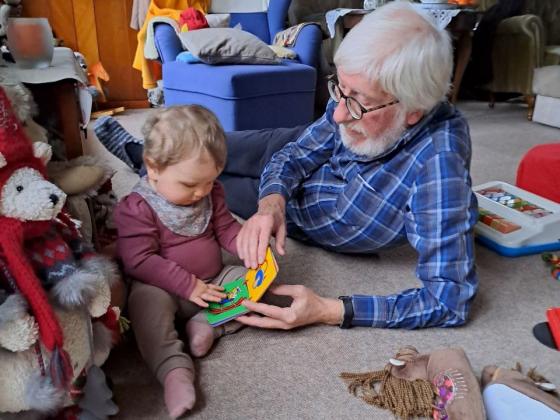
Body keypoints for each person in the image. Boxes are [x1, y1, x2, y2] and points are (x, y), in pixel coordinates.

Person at [97, 2, 478, 332]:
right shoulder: (352, 103)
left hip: (306, 212)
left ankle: (150, 163)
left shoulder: (438, 169)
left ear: (413, 110)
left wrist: (330, 310)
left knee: (198, 189)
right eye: (340, 90)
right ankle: (142, 154)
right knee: (197, 147)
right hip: (284, 163)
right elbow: (293, 156)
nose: (339, 113)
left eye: (359, 102)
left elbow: (448, 300)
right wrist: (271, 202)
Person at [113, 105, 246, 419]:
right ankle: (173, 369)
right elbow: (139, 260)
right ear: (153, 167)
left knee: (249, 280)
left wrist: (247, 245)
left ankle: (208, 324)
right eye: (190, 185)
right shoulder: (137, 206)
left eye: (210, 181)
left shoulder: (210, 192)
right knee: (144, 304)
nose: (201, 192)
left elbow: (225, 228)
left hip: (214, 283)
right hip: (165, 289)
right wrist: (186, 285)